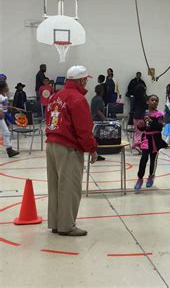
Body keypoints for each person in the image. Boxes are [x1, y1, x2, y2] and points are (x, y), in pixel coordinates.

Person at [45, 65, 98, 236]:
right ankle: (67, 225)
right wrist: (92, 149)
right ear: (81, 80)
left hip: (51, 144)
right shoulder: (77, 99)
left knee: (54, 186)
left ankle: (55, 223)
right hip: (68, 147)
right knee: (69, 187)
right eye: (85, 80)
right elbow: (83, 128)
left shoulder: (55, 96)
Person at [134, 95, 167, 190]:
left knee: (153, 159)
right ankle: (140, 178)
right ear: (147, 102)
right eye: (152, 100)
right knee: (144, 158)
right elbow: (143, 128)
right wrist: (140, 126)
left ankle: (151, 176)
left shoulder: (159, 114)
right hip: (146, 138)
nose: (154, 102)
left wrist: (152, 122)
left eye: (156, 100)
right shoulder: (144, 114)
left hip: (156, 139)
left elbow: (159, 127)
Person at [0, 81, 20, 158]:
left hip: (1, 116)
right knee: (6, 132)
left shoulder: (3, 95)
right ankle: (9, 150)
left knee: (6, 132)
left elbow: (5, 106)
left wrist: (14, 108)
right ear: (2, 88)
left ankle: (9, 150)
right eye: (6, 86)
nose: (8, 87)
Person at [131, 83, 147, 151]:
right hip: (142, 116)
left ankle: (135, 143)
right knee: (141, 131)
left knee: (136, 131)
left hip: (135, 116)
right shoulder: (144, 98)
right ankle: (139, 143)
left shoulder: (134, 98)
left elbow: (132, 108)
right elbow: (146, 107)